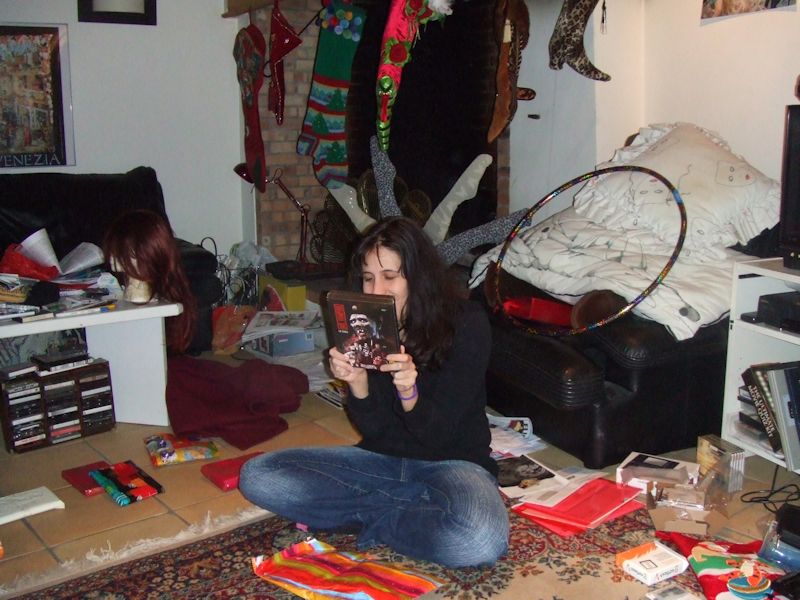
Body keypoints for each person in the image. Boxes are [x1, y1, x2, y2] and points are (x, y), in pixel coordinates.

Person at [240, 216, 508, 568]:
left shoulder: (467, 324)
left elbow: (438, 437)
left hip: (455, 463)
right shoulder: (366, 323)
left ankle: (367, 515)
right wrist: (358, 385)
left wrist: (409, 391)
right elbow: (376, 433)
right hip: (382, 463)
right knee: (258, 476)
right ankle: (409, 511)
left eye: (389, 276)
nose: (376, 290)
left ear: (418, 276)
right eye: (368, 278)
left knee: (479, 541)